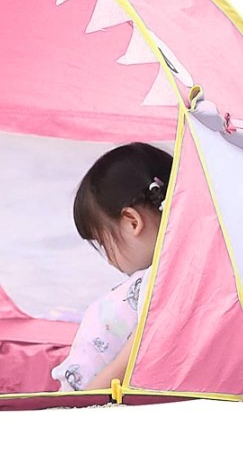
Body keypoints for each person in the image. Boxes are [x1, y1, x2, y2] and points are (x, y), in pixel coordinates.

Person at [51, 143, 172, 392]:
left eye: (104, 245)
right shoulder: (205, 268)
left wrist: (70, 407)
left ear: (132, 222)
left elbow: (127, 363)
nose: (109, 260)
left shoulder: (156, 284)